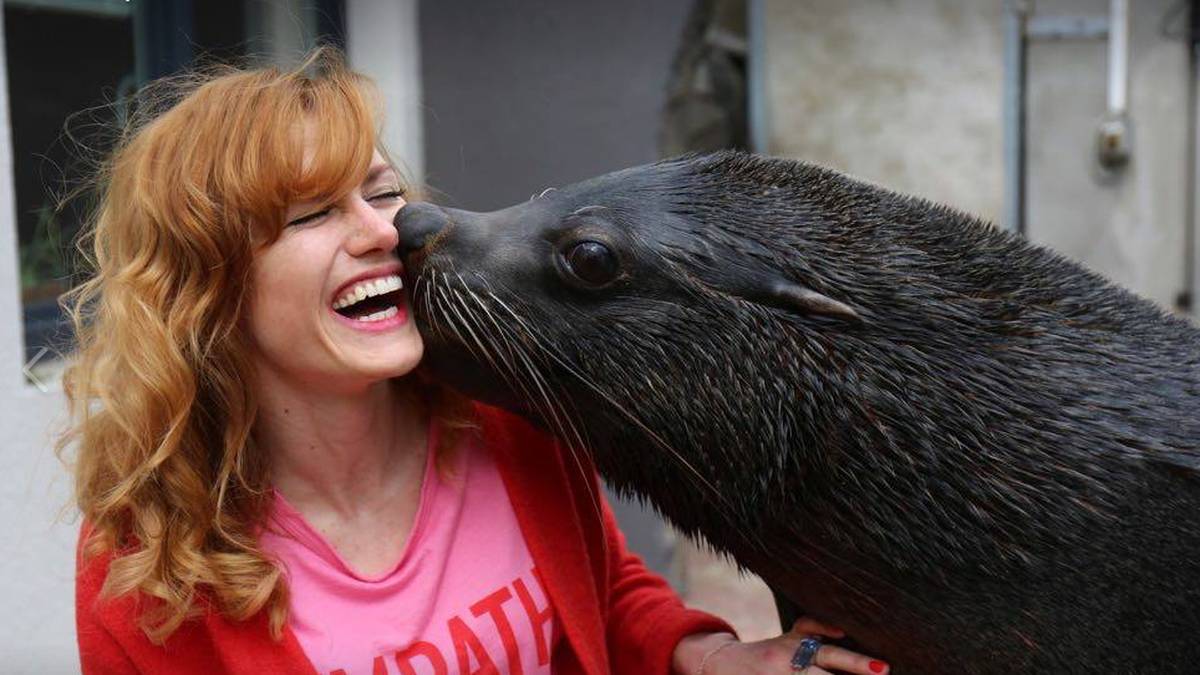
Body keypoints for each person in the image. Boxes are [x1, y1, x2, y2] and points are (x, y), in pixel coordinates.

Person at [59, 46, 888, 675]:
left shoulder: (507, 420)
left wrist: (713, 659)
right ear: (210, 290)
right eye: (313, 214)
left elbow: (607, 594)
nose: (387, 230)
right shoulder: (149, 567)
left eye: (382, 193)